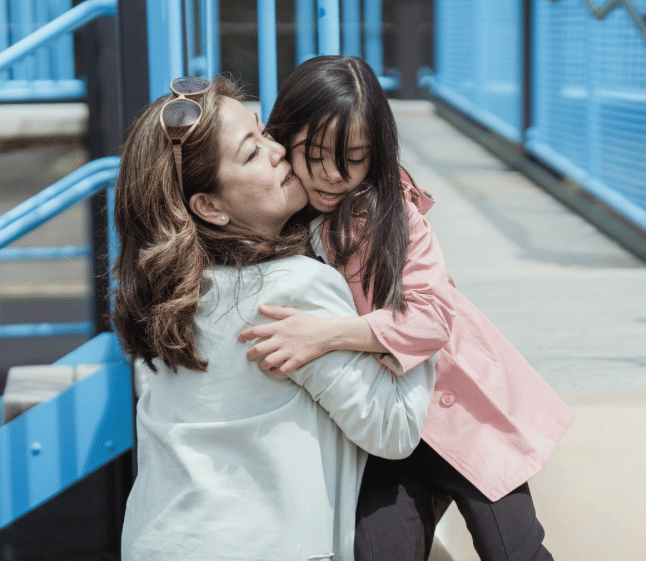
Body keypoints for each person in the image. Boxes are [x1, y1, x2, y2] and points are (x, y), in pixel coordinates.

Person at [238, 56, 575, 561]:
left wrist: (327, 335)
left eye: (354, 157)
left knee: (515, 551)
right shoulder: (277, 214)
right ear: (284, 138)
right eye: (316, 154)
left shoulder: (394, 214)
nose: (333, 174)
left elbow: (433, 317)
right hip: (384, 435)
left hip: (462, 412)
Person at [112, 75, 435, 561]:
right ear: (209, 206)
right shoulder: (294, 289)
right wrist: (420, 313)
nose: (278, 151)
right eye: (250, 152)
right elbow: (393, 428)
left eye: (263, 132)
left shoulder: (164, 301)